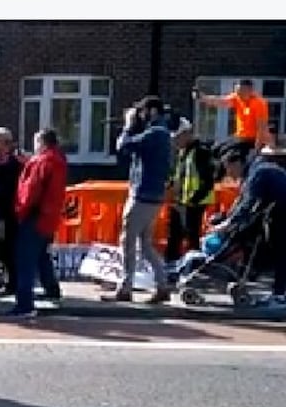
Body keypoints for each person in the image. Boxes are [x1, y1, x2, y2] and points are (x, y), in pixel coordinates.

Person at [102, 96, 172, 304]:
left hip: (142, 195)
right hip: (153, 195)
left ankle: (125, 288)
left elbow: (122, 145)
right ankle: (162, 285)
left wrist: (128, 125)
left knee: (128, 241)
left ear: (152, 111)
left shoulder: (154, 133)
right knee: (145, 245)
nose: (140, 116)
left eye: (143, 112)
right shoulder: (162, 133)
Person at [212, 149, 286, 305]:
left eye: (228, 168)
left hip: (282, 211)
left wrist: (229, 223)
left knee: (281, 251)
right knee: (278, 250)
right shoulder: (257, 170)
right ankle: (279, 291)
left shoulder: (257, 173)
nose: (228, 174)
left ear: (237, 164)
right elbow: (244, 201)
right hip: (278, 210)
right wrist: (229, 218)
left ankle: (280, 294)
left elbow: (248, 203)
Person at [11, 129, 68, 319]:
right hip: (49, 216)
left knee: (25, 260)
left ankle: (24, 304)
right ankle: (52, 289)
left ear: (41, 143)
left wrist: (20, 211)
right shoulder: (58, 160)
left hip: (35, 215)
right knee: (42, 254)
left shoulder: (40, 162)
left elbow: (31, 190)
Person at [165, 117, 215, 264]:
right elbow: (180, 175)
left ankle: (194, 266)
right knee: (174, 234)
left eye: (178, 138)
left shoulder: (200, 152)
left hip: (194, 203)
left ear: (187, 134)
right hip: (182, 201)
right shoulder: (184, 153)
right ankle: (172, 262)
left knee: (191, 236)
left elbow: (207, 180)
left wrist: (194, 200)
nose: (175, 142)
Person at [0, 127, 25, 295]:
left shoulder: (15, 165)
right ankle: (7, 280)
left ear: (5, 144)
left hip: (8, 213)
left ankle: (12, 283)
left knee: (7, 247)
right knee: (0, 247)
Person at [195, 79, 271, 159]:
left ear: (249, 90)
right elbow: (221, 101)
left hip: (252, 140)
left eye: (240, 91)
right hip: (240, 138)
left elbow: (261, 128)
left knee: (229, 156)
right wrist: (202, 97)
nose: (238, 94)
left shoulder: (259, 103)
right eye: (236, 91)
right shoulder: (237, 98)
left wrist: (256, 149)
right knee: (217, 149)